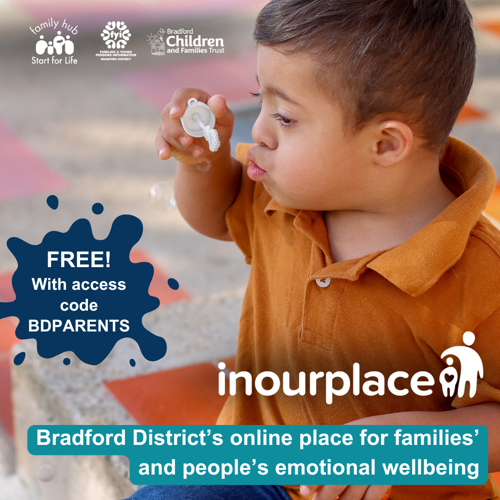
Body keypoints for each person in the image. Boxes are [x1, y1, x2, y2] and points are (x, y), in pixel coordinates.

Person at [130, 0, 500, 498]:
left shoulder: (481, 278)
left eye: (284, 116)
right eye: (260, 99)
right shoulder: (286, 198)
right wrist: (201, 164)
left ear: (387, 145)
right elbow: (217, 216)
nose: (256, 130)